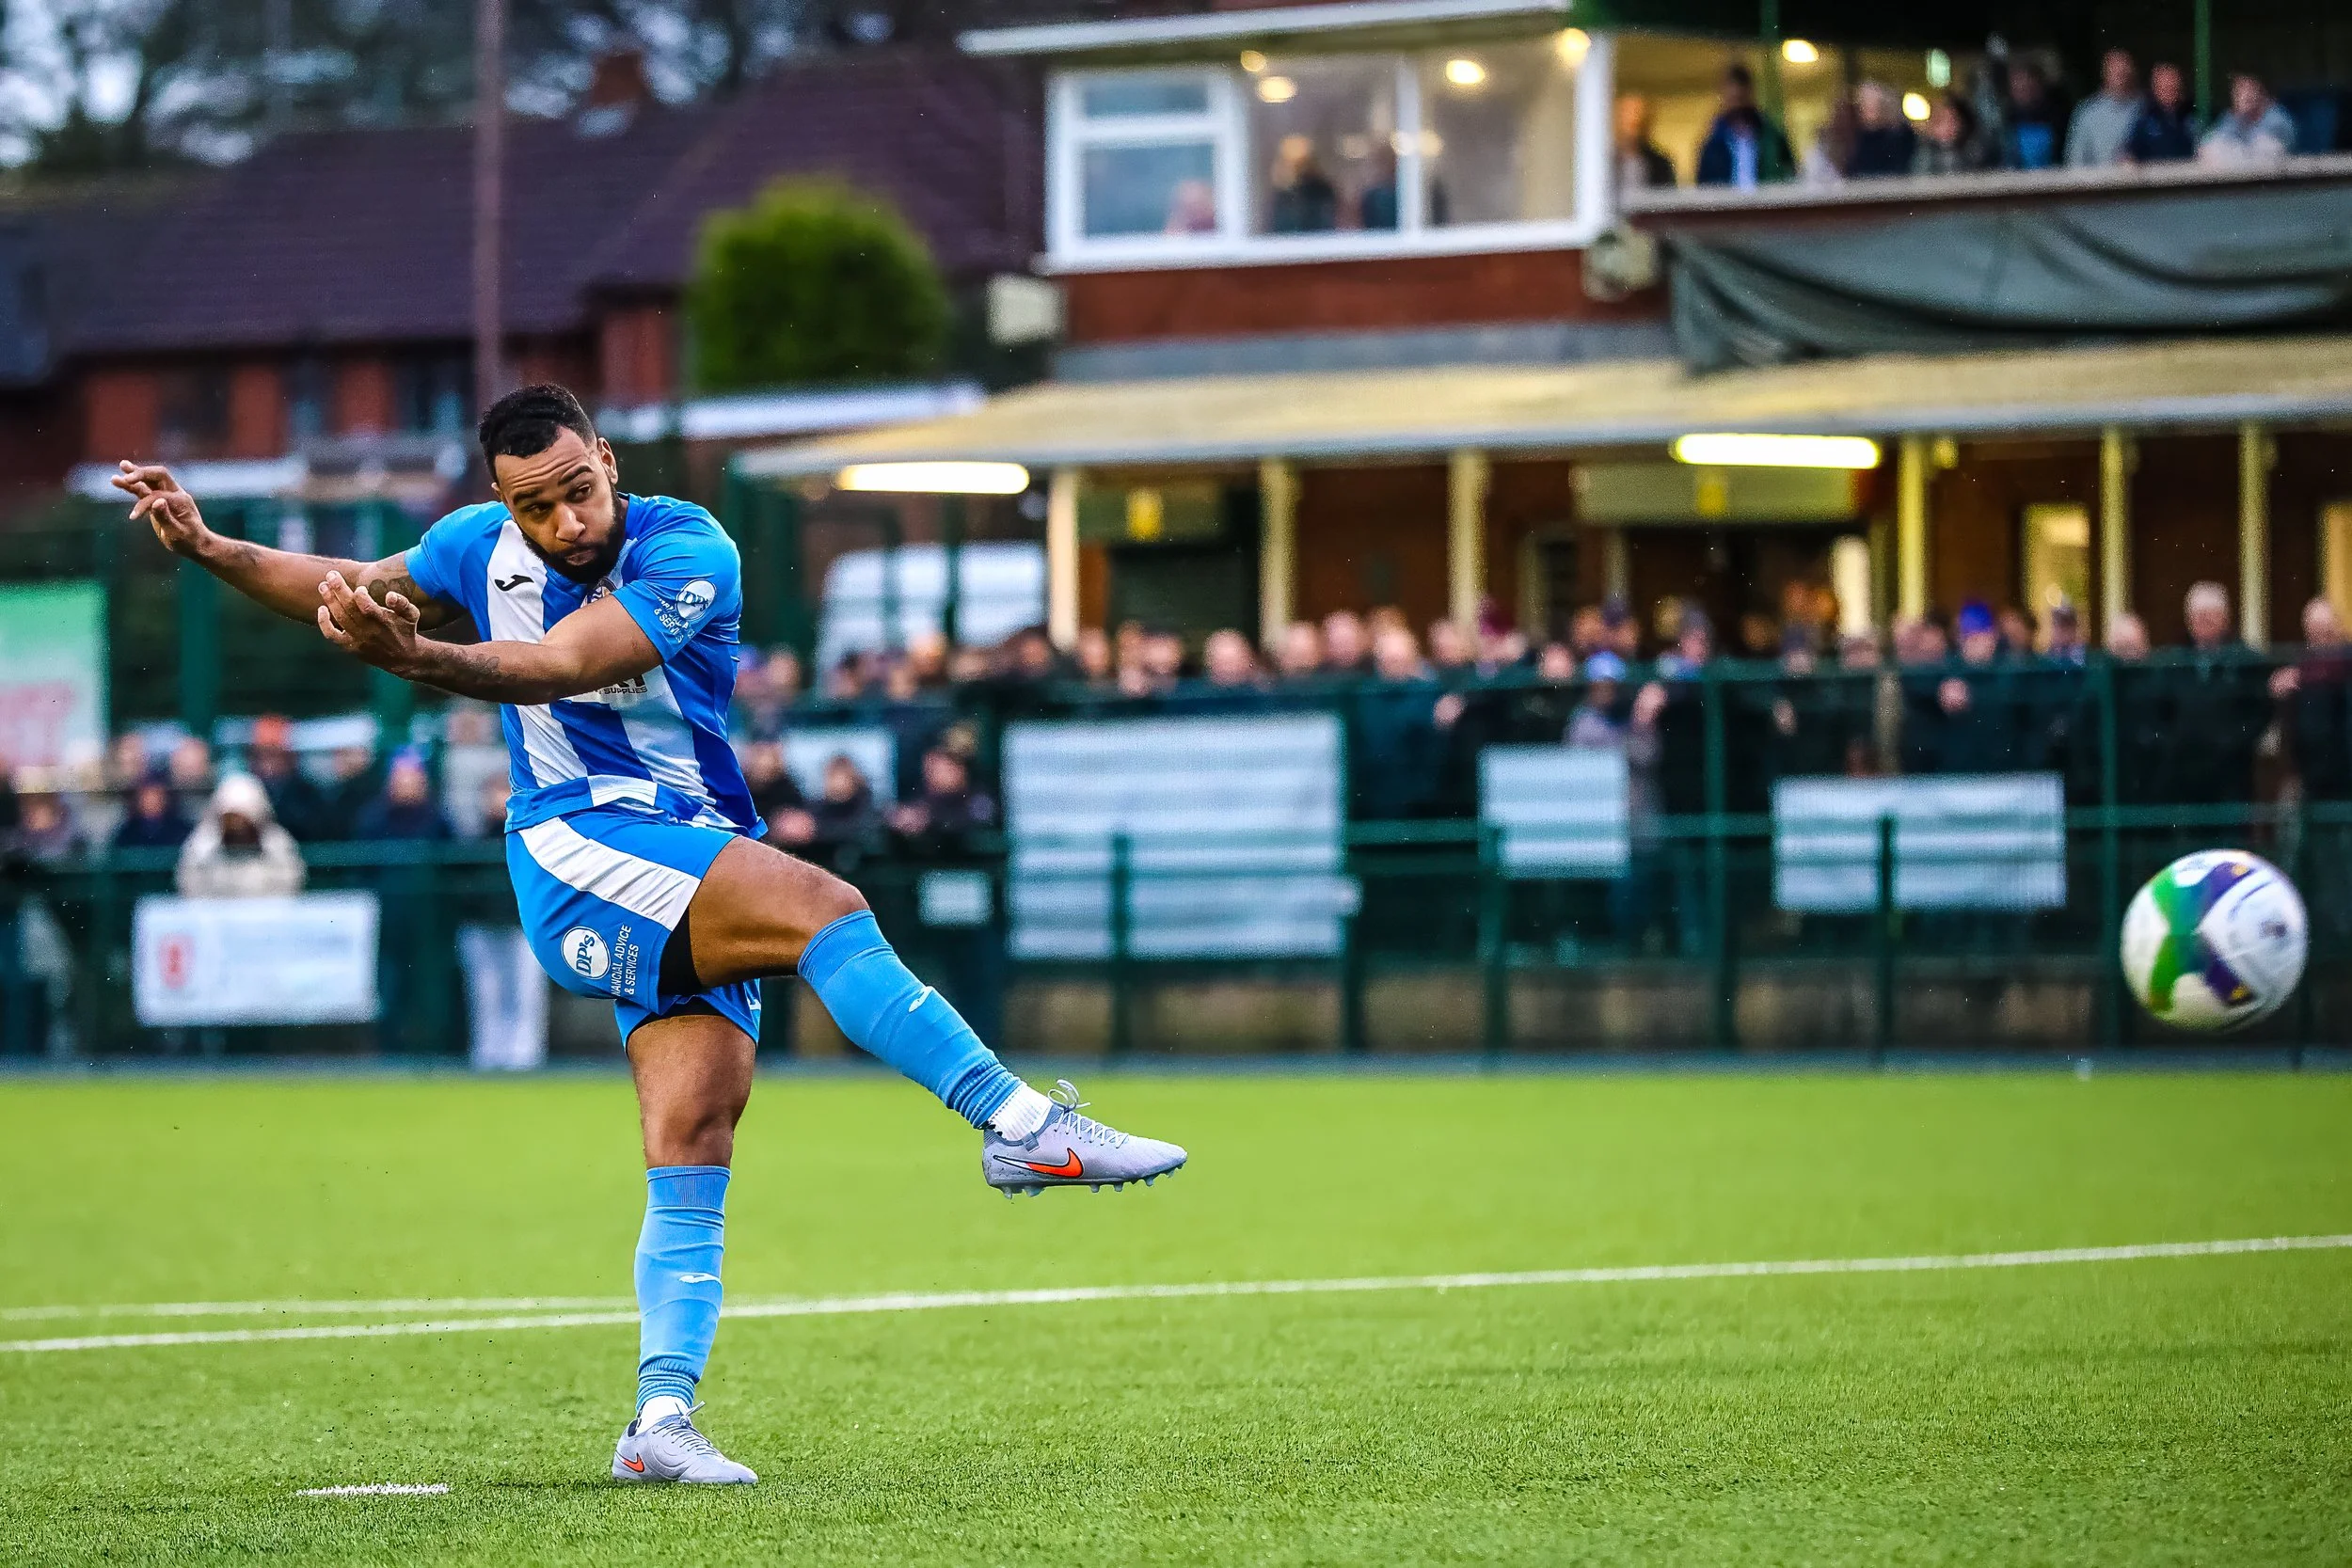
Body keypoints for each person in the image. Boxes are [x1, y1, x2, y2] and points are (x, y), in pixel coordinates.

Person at [113, 382, 1185, 1486]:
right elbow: (346, 586)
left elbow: (565, 661)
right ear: (502, 503)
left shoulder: (688, 548)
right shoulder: (471, 547)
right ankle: (1019, 1122)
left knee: (694, 1139)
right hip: (579, 842)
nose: (564, 521)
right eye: (534, 507)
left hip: (688, 852)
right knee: (828, 910)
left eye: (577, 489)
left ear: (608, 461)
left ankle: (658, 1421)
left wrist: (420, 658)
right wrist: (211, 546)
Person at [2271, 598, 2352, 802]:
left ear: (2338, 627)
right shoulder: (2300, 663)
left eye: (2326, 631)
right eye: (2315, 631)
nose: (2321, 638)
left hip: (2344, 763)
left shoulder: (2345, 658)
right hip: (2309, 767)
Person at [176, 773, 306, 897]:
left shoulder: (278, 845)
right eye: (230, 817)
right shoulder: (201, 847)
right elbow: (190, 885)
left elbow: (291, 883)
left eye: (242, 817)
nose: (236, 824)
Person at [1695, 63, 1793, 188]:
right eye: (1733, 100)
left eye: (1741, 99)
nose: (1738, 107)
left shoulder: (1773, 140)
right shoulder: (1712, 147)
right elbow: (1705, 188)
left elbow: (1789, 177)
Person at [246, 713, 332, 840]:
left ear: (290, 755)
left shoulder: (309, 796)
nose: (266, 762)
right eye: (260, 754)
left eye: (273, 753)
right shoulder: (246, 790)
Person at [354, 750, 454, 840]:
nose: (406, 782)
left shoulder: (438, 821)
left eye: (412, 776)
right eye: (401, 776)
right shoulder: (372, 819)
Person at [2066, 49, 2141, 167]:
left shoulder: (2145, 108)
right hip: (2099, 178)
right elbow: (2076, 159)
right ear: (2105, 73)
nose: (2120, 75)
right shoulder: (2087, 112)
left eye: (2123, 71)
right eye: (2115, 71)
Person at [2201, 72, 2296, 165]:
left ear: (2262, 92)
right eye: (2239, 90)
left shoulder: (2276, 119)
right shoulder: (2233, 117)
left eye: (2249, 89)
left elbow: (2266, 157)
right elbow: (2208, 147)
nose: (2243, 96)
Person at [2122, 63, 2197, 164]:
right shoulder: (2144, 120)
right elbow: (2130, 153)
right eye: (2164, 88)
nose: (2169, 91)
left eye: (2173, 87)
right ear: (2155, 89)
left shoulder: (2192, 116)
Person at [2002, 61, 2067, 170]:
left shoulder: (2058, 117)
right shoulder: (2005, 122)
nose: (2023, 94)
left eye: (2027, 88)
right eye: (2018, 89)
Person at [1267, 135, 1338, 233]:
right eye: (1292, 164)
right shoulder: (1282, 196)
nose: (1297, 169)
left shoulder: (1321, 192)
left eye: (1300, 164)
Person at [1847, 83, 1916, 178]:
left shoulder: (1900, 137)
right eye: (1864, 106)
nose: (1866, 111)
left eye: (1873, 106)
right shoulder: (1855, 138)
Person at [113, 770, 194, 850]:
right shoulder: (127, 833)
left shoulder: (181, 830)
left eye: (157, 795)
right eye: (146, 796)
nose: (152, 801)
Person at [1614, 94, 1677, 190]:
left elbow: (1667, 194)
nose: (1634, 118)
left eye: (1638, 121)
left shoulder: (1661, 164)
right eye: (1627, 114)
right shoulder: (1600, 162)